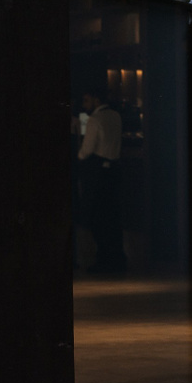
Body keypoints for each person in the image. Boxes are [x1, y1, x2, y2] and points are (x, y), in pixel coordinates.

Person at [77, 90, 125, 274]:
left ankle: (104, 259)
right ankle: (117, 258)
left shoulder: (94, 120)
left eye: (86, 100)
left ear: (96, 100)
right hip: (114, 170)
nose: (84, 104)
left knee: (98, 217)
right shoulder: (116, 115)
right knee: (113, 216)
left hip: (98, 172)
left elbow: (86, 150)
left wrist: (79, 156)